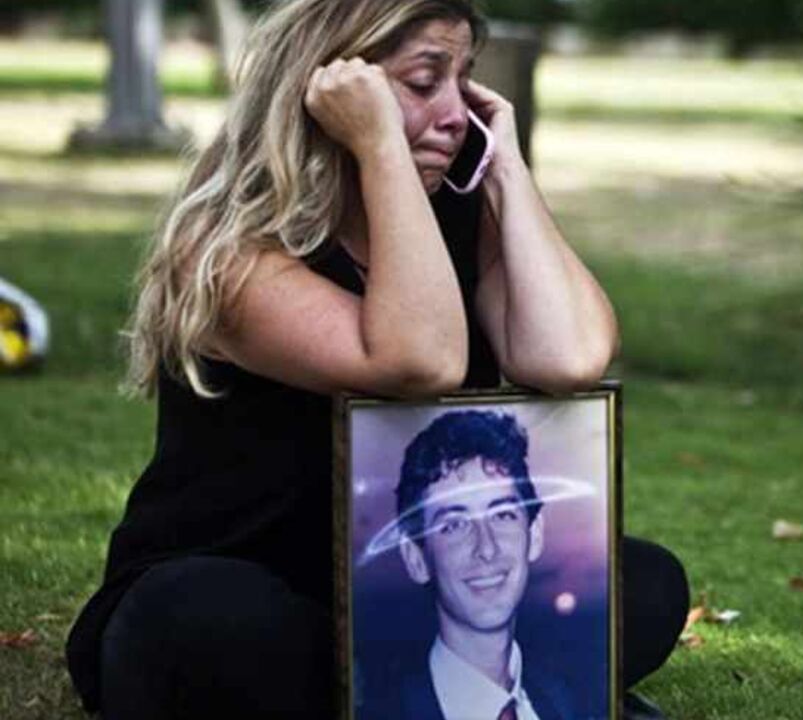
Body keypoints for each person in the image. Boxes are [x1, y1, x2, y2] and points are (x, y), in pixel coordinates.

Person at [63, 2, 688, 719]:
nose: (456, 114)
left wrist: (508, 168)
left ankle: (425, 691)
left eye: (465, 82)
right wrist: (381, 146)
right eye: (425, 81)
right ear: (331, 89)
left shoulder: (460, 216)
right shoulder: (223, 251)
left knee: (645, 582)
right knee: (206, 620)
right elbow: (419, 360)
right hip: (244, 586)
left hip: (407, 599)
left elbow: (571, 357)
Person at [380, 409, 576, 720]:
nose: (486, 548)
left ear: (534, 534)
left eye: (503, 515)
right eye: (454, 525)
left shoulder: (568, 702)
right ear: (415, 557)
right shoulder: (384, 710)